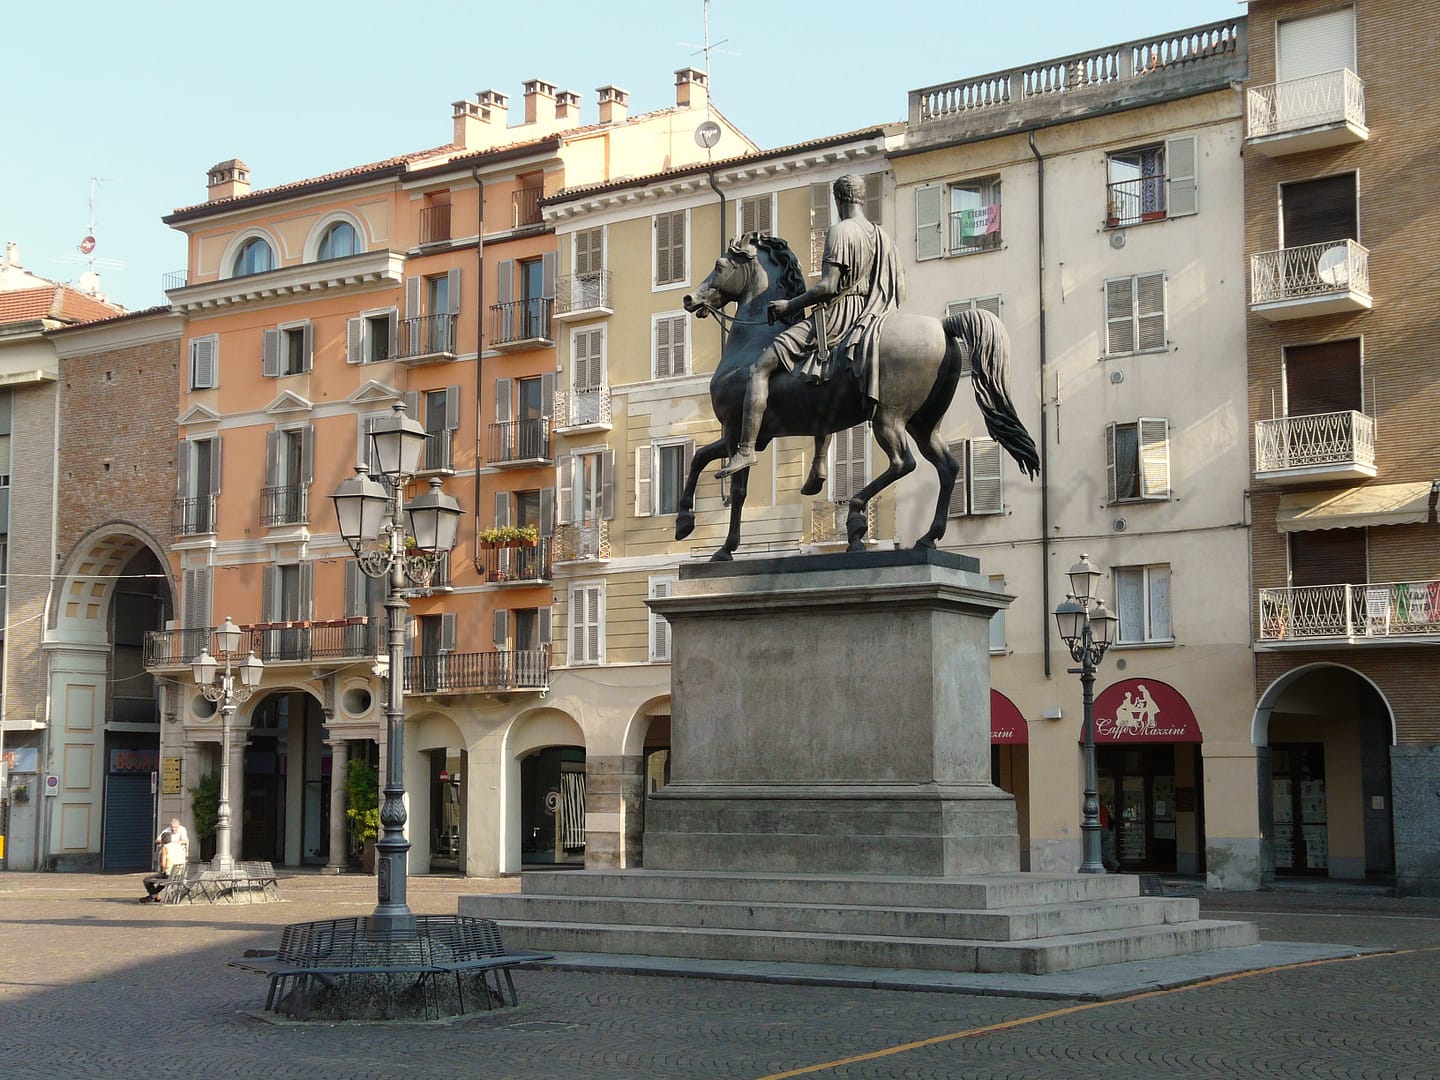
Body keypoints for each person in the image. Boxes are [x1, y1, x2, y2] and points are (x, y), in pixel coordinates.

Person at [715, 173, 905, 479]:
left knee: (760, 367)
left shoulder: (841, 231)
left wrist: (790, 305)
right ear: (861, 197)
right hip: (870, 316)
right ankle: (819, 461)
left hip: (839, 314)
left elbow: (829, 287)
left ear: (838, 199)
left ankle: (747, 449)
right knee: (819, 372)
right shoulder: (882, 236)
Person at [141, 837, 188, 902]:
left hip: (169, 875)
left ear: (162, 841)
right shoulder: (179, 847)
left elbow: (163, 864)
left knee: (146, 880)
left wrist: (162, 871)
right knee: (163, 880)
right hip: (180, 874)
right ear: (171, 840)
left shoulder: (165, 848)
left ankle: (154, 895)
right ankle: (156, 896)